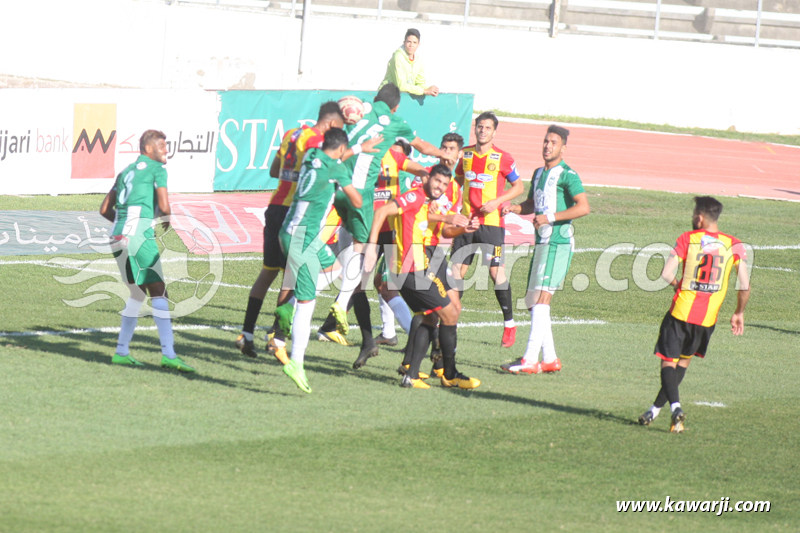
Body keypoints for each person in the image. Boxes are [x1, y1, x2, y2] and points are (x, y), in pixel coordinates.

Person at [315, 83, 453, 370]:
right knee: (361, 277)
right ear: (395, 109)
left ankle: (387, 334)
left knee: (379, 282)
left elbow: (413, 165)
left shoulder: (388, 149)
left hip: (382, 223)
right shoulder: (385, 139)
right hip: (371, 218)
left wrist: (431, 174)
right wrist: (441, 157)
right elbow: (420, 149)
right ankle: (345, 324)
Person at [234, 102, 378, 364]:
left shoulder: (292, 133)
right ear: (333, 124)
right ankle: (278, 337)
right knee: (294, 275)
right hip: (296, 213)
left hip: (276, 205)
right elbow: (321, 165)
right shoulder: (314, 141)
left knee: (268, 273)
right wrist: (357, 150)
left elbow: (274, 171)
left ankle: (247, 333)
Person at [638, 196, 750, 433]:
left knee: (669, 362)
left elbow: (666, 273)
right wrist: (739, 312)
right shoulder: (735, 245)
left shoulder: (687, 239)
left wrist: (679, 284)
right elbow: (744, 285)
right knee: (683, 363)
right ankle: (655, 410)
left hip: (680, 313)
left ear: (699, 218)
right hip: (706, 320)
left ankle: (675, 407)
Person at [366, 164, 480, 390]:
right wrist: (371, 246)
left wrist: (454, 222)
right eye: (437, 181)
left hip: (413, 269)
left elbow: (427, 216)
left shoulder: (424, 202)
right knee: (450, 314)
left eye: (444, 184)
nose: (440, 187)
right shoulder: (415, 196)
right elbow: (381, 212)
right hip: (411, 271)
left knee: (429, 317)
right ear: (428, 179)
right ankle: (450, 374)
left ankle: (412, 374)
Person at [99, 130, 194, 372]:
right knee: (159, 292)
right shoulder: (157, 169)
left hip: (117, 235)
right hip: (139, 234)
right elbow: (163, 205)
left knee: (138, 294)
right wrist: (167, 219)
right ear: (148, 149)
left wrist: (122, 226)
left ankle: (121, 352)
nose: (166, 150)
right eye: (162, 145)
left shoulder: (125, 172)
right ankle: (169, 355)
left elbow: (104, 209)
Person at [279, 128, 364, 393]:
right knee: (308, 303)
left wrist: (359, 149)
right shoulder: (336, 171)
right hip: (302, 239)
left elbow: (337, 156)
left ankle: (287, 305)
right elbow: (358, 200)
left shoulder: (312, 156)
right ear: (340, 150)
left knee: (335, 267)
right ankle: (296, 362)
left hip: (290, 230)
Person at [500, 125, 589, 375]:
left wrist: (549, 218)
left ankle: (529, 360)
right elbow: (532, 203)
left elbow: (583, 207)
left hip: (558, 242)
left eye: (553, 142)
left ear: (563, 148)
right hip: (542, 243)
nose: (548, 146)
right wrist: (516, 208)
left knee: (541, 301)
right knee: (531, 301)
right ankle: (549, 358)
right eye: (545, 141)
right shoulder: (539, 173)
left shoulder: (568, 175)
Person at [452, 112, 524, 348]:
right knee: (455, 273)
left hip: (492, 224)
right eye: (479, 126)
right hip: (466, 223)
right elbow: (458, 178)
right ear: (475, 129)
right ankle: (448, 322)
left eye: (487, 127)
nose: (483, 130)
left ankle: (510, 324)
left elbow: (518, 186)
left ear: (495, 131)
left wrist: (498, 201)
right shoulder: (466, 154)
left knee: (496, 273)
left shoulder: (503, 157)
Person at [372, 140, 429, 347]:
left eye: (397, 148)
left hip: (400, 237)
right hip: (379, 229)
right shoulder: (378, 163)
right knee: (379, 282)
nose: (392, 149)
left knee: (391, 285)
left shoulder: (406, 174)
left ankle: (419, 335)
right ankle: (388, 332)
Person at [378, 28, 439, 97]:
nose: (411, 45)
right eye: (409, 42)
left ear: (418, 44)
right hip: (385, 96)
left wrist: (430, 89)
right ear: (404, 43)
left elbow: (420, 82)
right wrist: (423, 91)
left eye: (414, 42)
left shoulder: (418, 60)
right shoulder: (398, 58)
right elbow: (401, 86)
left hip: (399, 97)